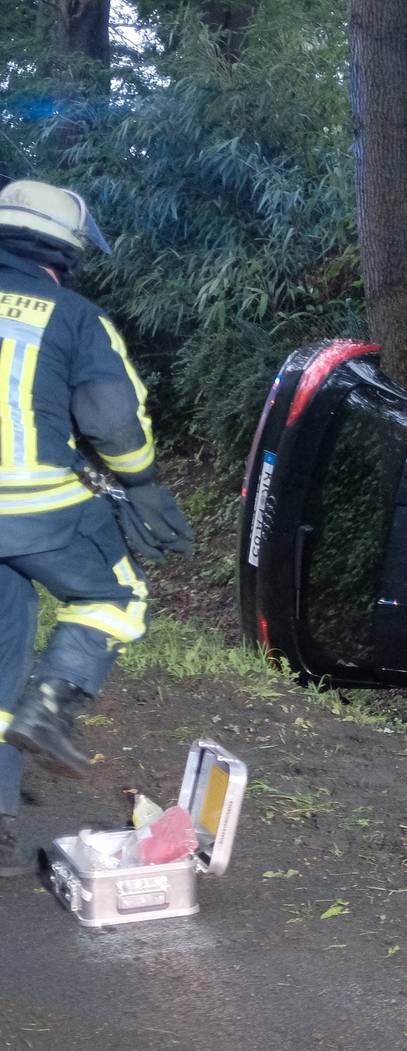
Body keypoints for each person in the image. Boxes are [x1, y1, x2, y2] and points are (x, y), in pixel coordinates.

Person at [0, 180, 193, 874]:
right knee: (113, 596)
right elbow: (113, 421)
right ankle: (52, 707)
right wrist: (140, 482)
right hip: (34, 508)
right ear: (64, 250)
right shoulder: (73, 315)